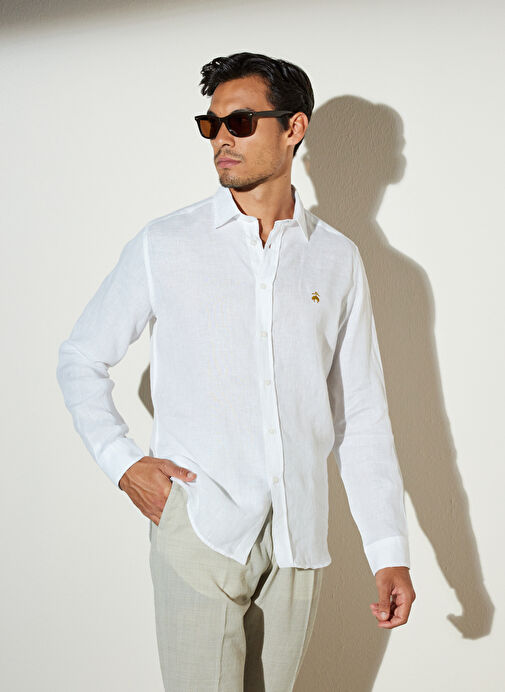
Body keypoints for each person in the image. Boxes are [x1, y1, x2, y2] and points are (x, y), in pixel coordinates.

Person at [56, 51, 416, 691]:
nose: (221, 138)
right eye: (211, 124)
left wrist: (388, 550)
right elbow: (81, 356)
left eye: (241, 122)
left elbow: (359, 415)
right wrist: (124, 464)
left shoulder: (336, 259)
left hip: (298, 540)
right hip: (201, 526)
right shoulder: (167, 243)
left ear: (294, 128)